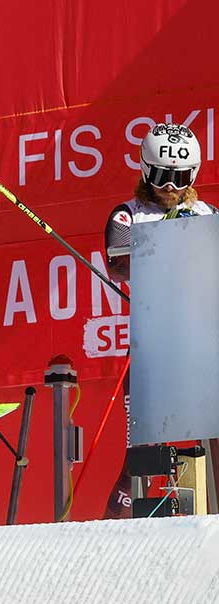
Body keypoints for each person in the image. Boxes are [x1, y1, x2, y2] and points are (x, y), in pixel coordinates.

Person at [103, 122, 216, 518]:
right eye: (161, 176)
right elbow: (118, 264)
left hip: (202, 350)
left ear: (194, 175)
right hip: (154, 354)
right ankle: (109, 539)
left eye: (180, 176)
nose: (169, 186)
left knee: (213, 445)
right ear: (144, 171)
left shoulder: (208, 213)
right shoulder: (127, 216)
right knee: (144, 453)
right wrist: (173, 244)